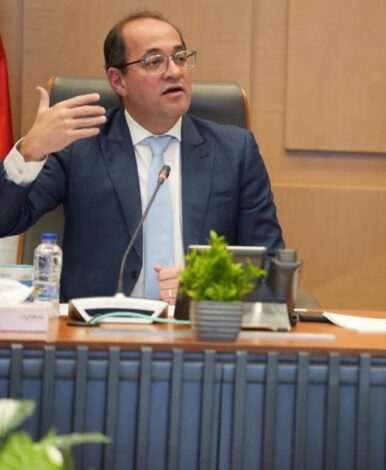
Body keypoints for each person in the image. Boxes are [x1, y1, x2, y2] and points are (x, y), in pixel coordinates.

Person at [0, 11, 283, 305]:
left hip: (198, 324)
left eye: (180, 58)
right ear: (118, 81)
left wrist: (204, 282)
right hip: (98, 325)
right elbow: (4, 222)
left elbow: (270, 264)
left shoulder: (235, 151)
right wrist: (29, 152)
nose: (174, 72)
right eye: (154, 62)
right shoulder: (79, 146)